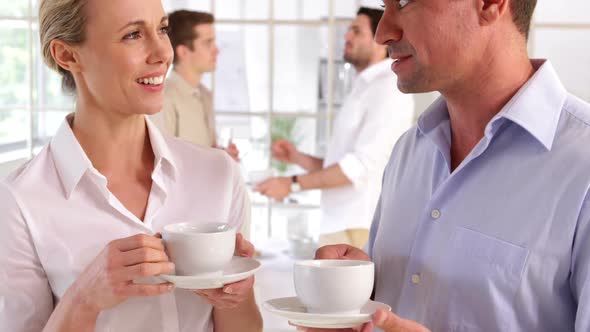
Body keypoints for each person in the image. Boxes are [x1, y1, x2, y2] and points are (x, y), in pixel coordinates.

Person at [298, 0, 590, 331]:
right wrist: (353, 296)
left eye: (404, 2)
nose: (384, 33)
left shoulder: (583, 166)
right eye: (385, 5)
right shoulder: (409, 151)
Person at [0, 0, 262, 331]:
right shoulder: (19, 200)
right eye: (133, 34)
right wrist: (85, 298)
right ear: (67, 55)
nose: (163, 53)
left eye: (162, 30)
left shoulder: (218, 174)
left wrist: (237, 296)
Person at [255, 7, 415, 249]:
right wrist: (297, 157)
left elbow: (359, 167)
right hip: (340, 223)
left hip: (359, 226)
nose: (346, 37)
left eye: (356, 31)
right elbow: (340, 165)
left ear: (381, 41)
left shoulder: (388, 89)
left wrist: (292, 183)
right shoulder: (363, 87)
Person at [150, 10, 239, 161]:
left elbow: (204, 151)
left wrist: (221, 155)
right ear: (183, 52)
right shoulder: (164, 98)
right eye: (208, 43)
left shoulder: (205, 95)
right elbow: (162, 161)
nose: (217, 50)